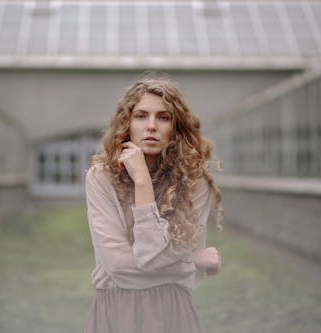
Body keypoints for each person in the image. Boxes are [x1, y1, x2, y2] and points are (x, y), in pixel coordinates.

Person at [85, 72, 223, 333]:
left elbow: (148, 259)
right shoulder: (101, 177)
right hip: (115, 311)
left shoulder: (195, 183)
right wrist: (192, 261)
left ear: (176, 128)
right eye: (141, 116)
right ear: (127, 123)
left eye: (163, 117)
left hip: (173, 310)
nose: (151, 126)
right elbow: (118, 268)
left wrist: (143, 183)